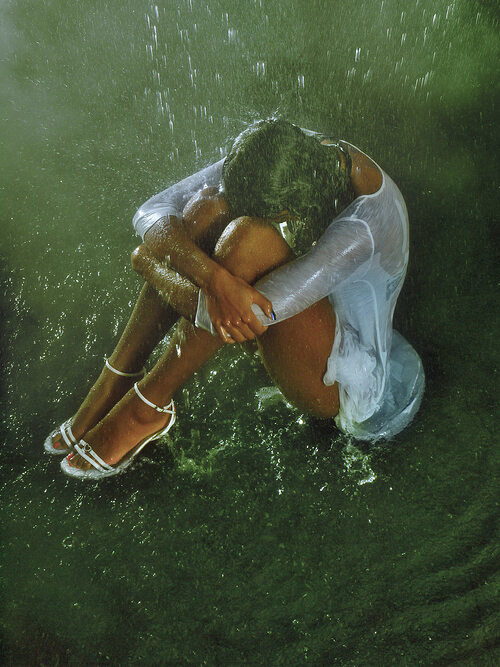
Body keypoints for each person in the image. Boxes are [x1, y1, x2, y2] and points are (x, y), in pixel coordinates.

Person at [43, 119, 424, 479]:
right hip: (302, 319)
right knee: (209, 206)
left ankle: (147, 408)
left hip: (350, 382)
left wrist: (148, 263)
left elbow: (242, 318)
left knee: (247, 239)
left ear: (290, 211)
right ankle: (121, 373)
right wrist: (214, 277)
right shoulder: (294, 149)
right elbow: (152, 211)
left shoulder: (362, 229)